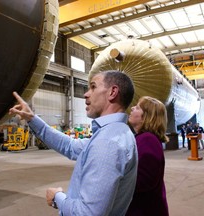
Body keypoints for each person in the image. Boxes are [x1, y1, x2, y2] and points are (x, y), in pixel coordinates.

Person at [9, 70, 138, 215]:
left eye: (93, 87)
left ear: (112, 92)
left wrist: (57, 197)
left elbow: (88, 213)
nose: (86, 94)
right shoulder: (116, 132)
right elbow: (69, 146)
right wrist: (32, 119)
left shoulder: (108, 143)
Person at [126, 96, 169, 216]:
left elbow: (143, 181)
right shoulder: (144, 138)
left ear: (147, 116)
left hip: (144, 210)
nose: (133, 108)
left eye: (138, 107)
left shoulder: (148, 139)